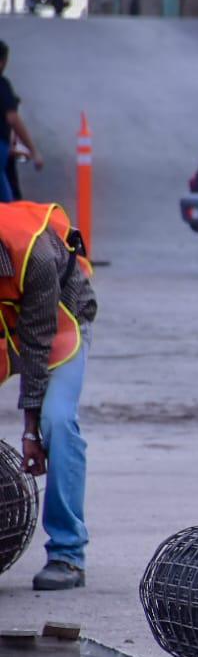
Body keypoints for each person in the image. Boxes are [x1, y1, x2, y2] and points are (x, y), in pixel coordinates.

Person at [0, 202, 96, 590]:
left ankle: (67, 554)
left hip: (60, 324)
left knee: (57, 420)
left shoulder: (35, 256)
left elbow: (37, 345)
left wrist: (30, 431)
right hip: (7, 321)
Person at [0, 42, 44, 204]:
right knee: (8, 205)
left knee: (7, 199)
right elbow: (13, 118)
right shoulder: (2, 85)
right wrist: (33, 150)